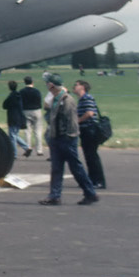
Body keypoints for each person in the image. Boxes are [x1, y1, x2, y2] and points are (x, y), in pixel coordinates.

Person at [38, 77, 98, 206]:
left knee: (76, 168)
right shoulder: (56, 99)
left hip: (66, 139)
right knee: (56, 168)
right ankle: (54, 196)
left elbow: (72, 122)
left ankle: (90, 193)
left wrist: (68, 137)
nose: (47, 86)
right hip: (57, 138)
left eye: (48, 83)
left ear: (52, 85)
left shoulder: (67, 100)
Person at [74, 80, 105, 190]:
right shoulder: (82, 99)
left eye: (76, 85)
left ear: (82, 87)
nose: (74, 86)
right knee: (88, 156)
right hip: (85, 130)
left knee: (92, 156)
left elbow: (90, 113)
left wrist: (78, 120)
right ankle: (92, 179)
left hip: (90, 130)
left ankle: (99, 181)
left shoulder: (87, 98)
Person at [1, 80, 33, 157]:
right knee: (15, 135)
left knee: (12, 136)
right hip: (19, 117)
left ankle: (14, 154)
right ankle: (27, 147)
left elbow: (4, 105)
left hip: (12, 117)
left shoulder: (11, 96)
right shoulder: (19, 95)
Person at [19, 76, 44, 155]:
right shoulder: (37, 91)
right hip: (36, 110)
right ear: (32, 82)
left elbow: (20, 102)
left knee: (27, 131)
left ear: (25, 82)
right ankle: (39, 150)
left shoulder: (21, 92)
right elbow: (40, 101)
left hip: (26, 110)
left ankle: (27, 148)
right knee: (38, 131)